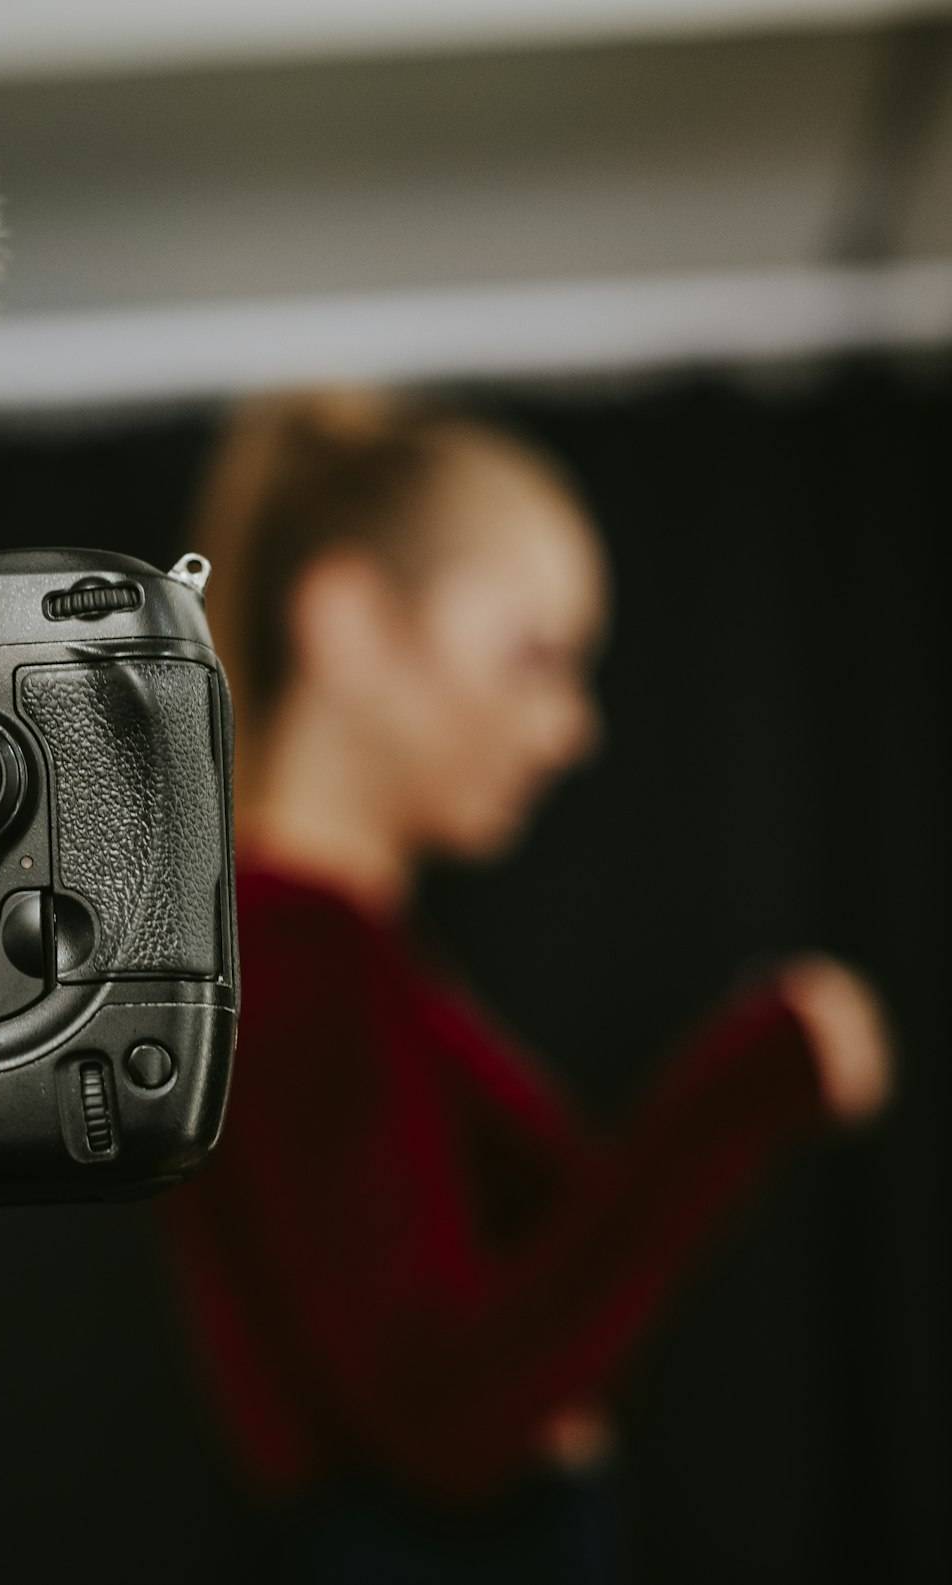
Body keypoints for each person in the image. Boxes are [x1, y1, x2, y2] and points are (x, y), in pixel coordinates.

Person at [166, 391, 894, 1582]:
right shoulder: (291, 962)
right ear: (348, 622)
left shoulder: (339, 954)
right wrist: (758, 1074)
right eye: (533, 656)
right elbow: (447, 1413)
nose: (569, 729)